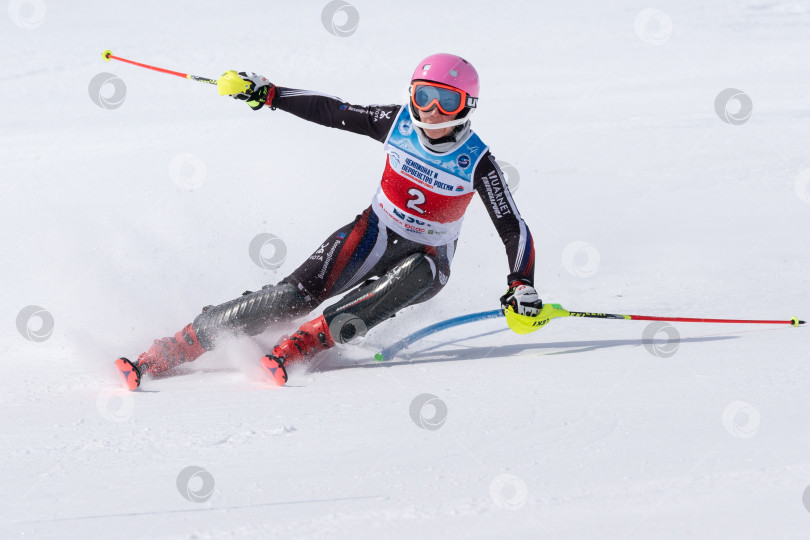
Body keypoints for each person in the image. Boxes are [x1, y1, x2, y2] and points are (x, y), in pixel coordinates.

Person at [115, 53, 542, 390]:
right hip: (373, 231)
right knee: (288, 298)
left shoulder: (478, 162)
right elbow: (333, 110)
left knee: (415, 273)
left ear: (467, 106)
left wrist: (521, 283)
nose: (430, 111)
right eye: (422, 96)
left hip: (429, 258)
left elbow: (513, 227)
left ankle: (304, 345)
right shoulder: (395, 123)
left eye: (446, 100)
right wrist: (268, 93)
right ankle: (171, 349)